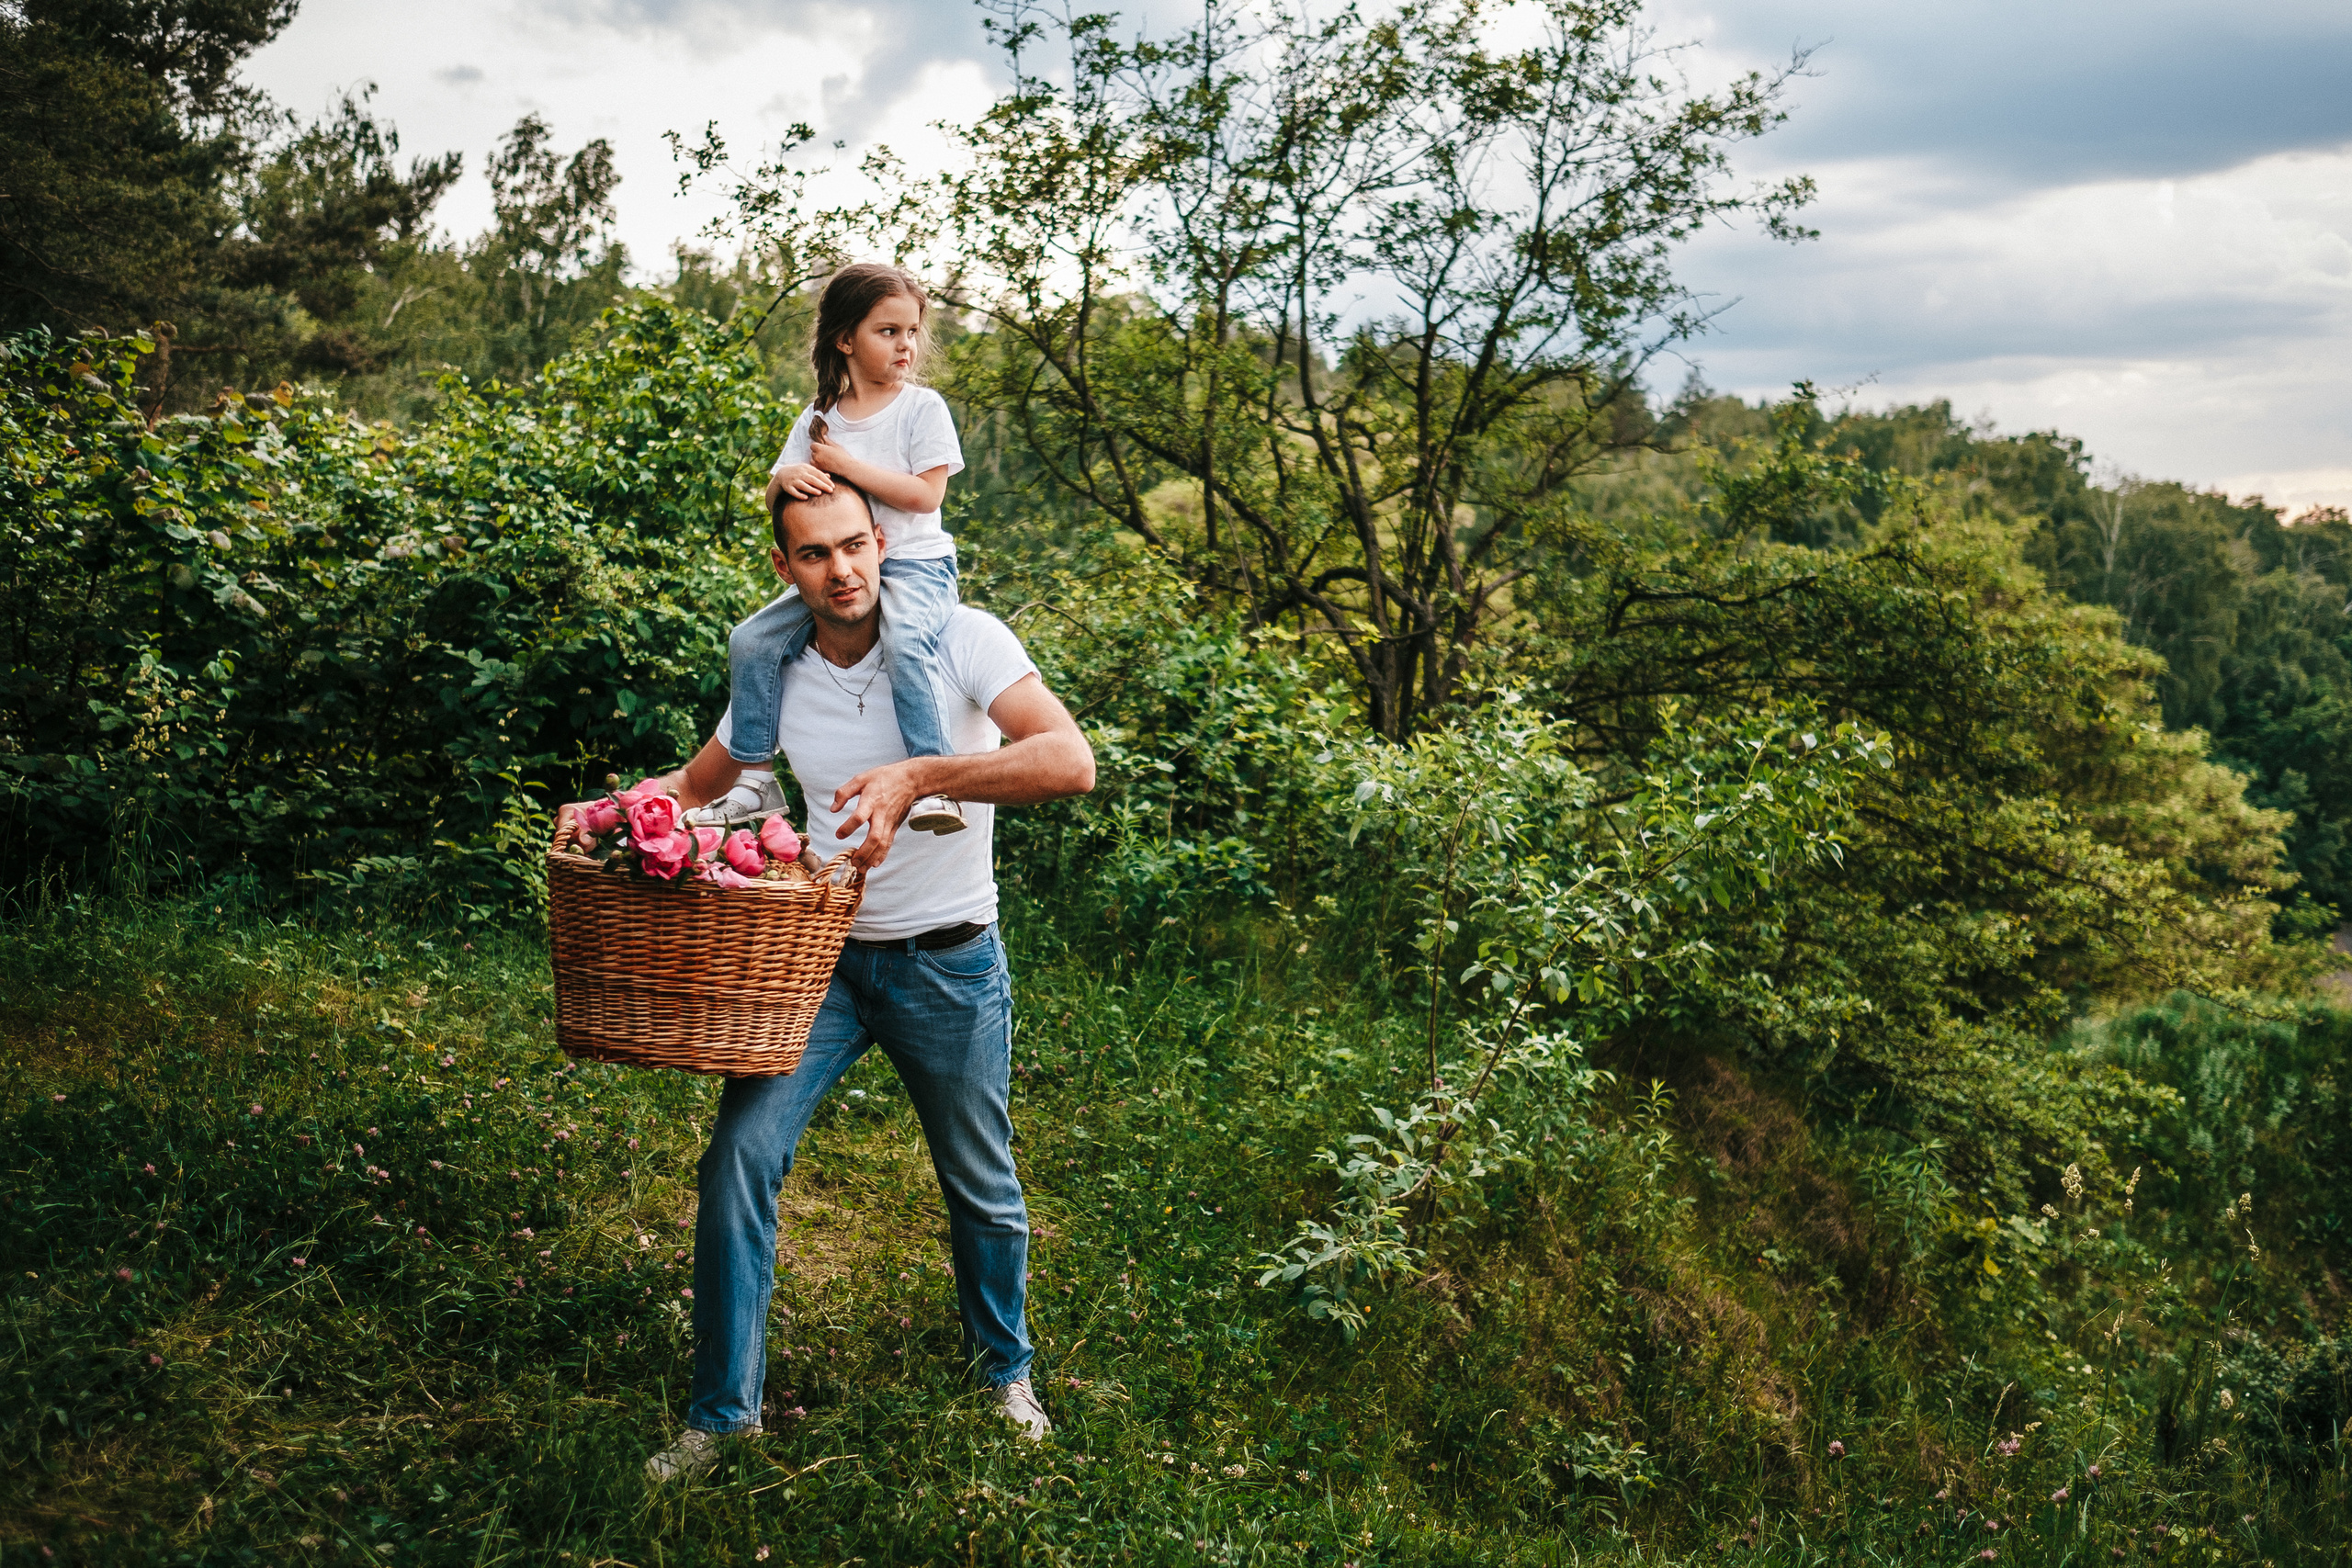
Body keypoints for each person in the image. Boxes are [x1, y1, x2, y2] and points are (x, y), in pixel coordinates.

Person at [558, 479, 1096, 1483]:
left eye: (854, 546)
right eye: (814, 554)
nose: (841, 571)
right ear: (785, 567)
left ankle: (1004, 1376)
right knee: (738, 1162)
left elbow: (1069, 761)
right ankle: (722, 1420)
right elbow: (699, 784)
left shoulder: (965, 639)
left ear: (884, 542)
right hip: (816, 964)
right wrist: (605, 816)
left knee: (980, 1184)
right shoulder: (774, 672)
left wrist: (917, 775)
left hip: (951, 961)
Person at [687, 261, 971, 838]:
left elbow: (926, 495)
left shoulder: (921, 409)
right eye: (888, 332)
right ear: (846, 339)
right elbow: (777, 490)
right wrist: (783, 480)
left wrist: (845, 467)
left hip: (915, 567)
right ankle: (757, 779)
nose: (906, 346)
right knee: (751, 639)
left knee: (906, 637)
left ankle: (933, 783)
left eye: (912, 331)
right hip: (841, 573)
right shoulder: (819, 418)